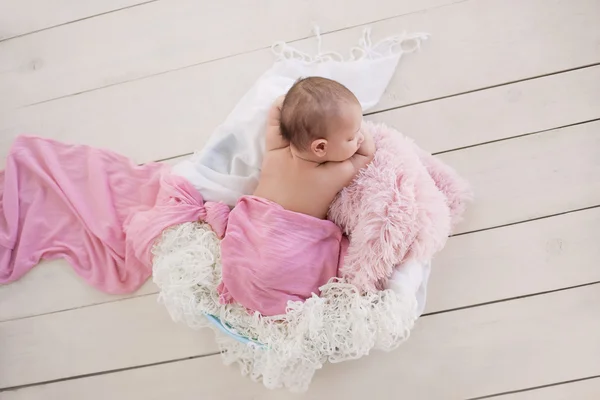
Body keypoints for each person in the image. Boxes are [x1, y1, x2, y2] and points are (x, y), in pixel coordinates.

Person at [217, 77, 375, 316]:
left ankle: (244, 285)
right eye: (352, 137)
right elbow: (367, 154)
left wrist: (298, 105)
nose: (359, 139)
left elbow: (277, 109)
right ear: (320, 148)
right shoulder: (334, 173)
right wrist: (363, 133)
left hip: (250, 232)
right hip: (288, 249)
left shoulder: (276, 149)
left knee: (248, 267)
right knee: (326, 262)